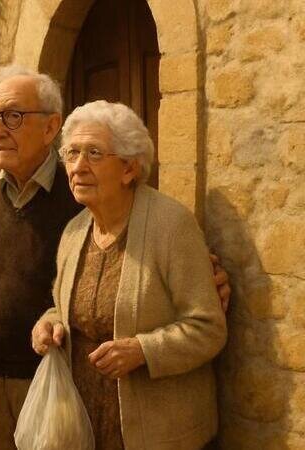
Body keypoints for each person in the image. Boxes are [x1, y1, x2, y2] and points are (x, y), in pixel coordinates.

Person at [0, 67, 231, 450]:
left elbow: (200, 315)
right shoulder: (71, 225)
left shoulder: (120, 209)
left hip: (129, 420)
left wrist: (145, 347)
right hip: (29, 387)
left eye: (13, 116)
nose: (79, 166)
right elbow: (55, 299)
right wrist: (42, 322)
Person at [32, 100, 227, 449]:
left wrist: (143, 350)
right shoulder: (74, 232)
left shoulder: (171, 225)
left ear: (129, 168)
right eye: (71, 153)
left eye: (93, 153)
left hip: (159, 434)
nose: (77, 166)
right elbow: (65, 309)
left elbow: (208, 328)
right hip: (85, 427)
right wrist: (49, 324)